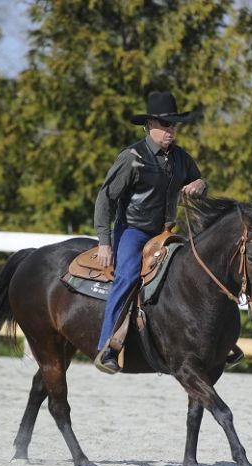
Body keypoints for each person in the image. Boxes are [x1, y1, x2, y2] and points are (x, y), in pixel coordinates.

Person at [93, 91, 207, 374]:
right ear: (149, 126)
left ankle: (211, 341)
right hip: (133, 230)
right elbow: (105, 199)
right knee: (128, 275)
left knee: (196, 271)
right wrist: (105, 243)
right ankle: (108, 347)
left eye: (174, 125)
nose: (171, 131)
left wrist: (200, 185)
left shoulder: (181, 158)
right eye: (165, 125)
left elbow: (198, 179)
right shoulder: (131, 158)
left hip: (166, 233)